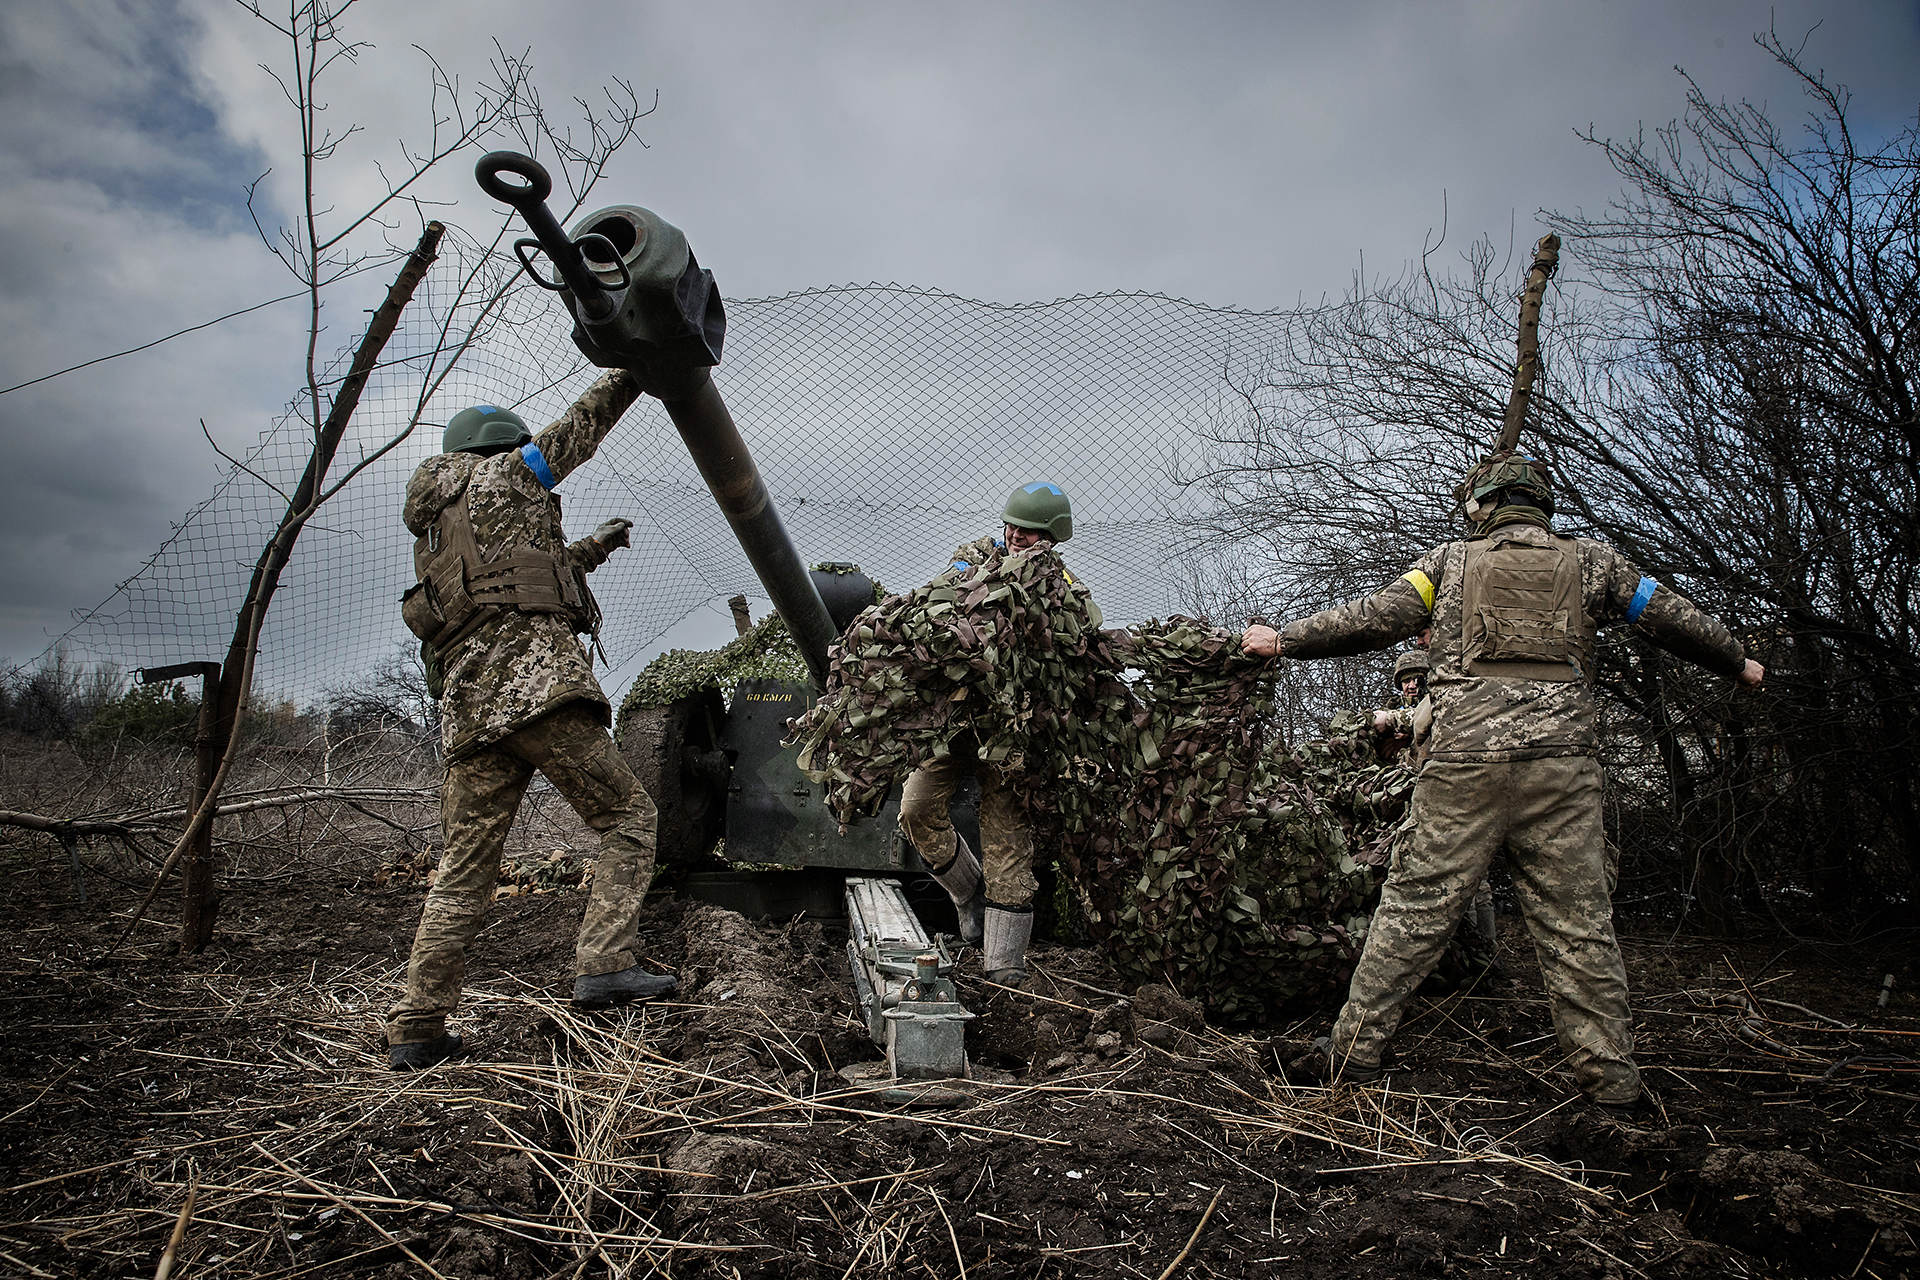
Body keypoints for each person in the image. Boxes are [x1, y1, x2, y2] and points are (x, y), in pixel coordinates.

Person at [1243, 452, 1763, 1112]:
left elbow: (1375, 616)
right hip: (1561, 771)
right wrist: (1738, 660)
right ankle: (1611, 1084)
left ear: (1478, 506)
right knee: (1579, 927)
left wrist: (1283, 640)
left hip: (1464, 768)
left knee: (1415, 908)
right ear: (1542, 504)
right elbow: (1670, 616)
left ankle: (1351, 1053)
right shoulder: (1595, 564)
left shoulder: (1448, 565)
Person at [387, 377, 677, 1070]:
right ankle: (606, 961)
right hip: (536, 690)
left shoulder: (436, 527)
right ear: (501, 448)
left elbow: (525, 575)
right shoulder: (507, 476)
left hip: (471, 714)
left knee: (463, 870)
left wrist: (596, 547)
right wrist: (635, 369)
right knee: (630, 818)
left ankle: (416, 1024)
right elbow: (579, 427)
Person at [898, 482, 1099, 990]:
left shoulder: (1066, 589)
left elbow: (1083, 640)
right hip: (955, 720)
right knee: (916, 808)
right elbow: (937, 606)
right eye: (1010, 526)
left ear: (1051, 539)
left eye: (1027, 533)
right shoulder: (974, 561)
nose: (1013, 536)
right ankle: (967, 897)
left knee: (1007, 839)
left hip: (1014, 733)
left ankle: (1004, 965)